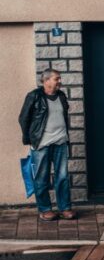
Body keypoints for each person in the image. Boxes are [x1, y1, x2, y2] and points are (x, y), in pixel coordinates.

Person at [18, 68, 74, 221]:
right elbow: (23, 119)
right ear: (46, 80)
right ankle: (45, 209)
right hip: (41, 144)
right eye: (57, 78)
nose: (60, 81)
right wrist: (31, 140)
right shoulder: (34, 96)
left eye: (59, 78)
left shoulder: (61, 96)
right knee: (42, 178)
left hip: (60, 142)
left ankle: (65, 208)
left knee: (62, 177)